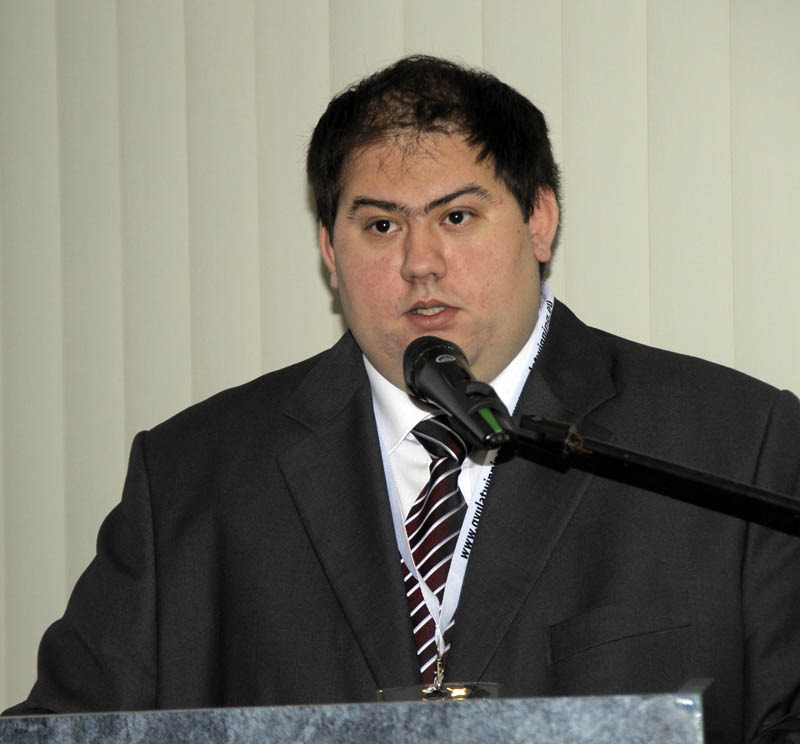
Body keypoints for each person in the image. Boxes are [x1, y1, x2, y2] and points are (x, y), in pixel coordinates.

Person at [4, 55, 800, 743]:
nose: (421, 262)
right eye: (381, 227)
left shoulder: (735, 446)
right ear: (329, 248)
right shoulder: (192, 477)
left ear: (539, 221)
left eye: (457, 216)